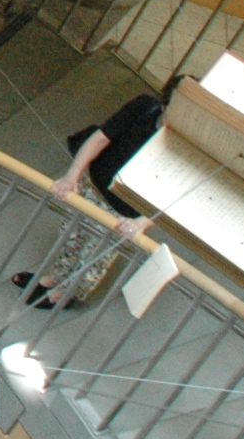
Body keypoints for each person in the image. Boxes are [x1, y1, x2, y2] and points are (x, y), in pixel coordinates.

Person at [12, 76, 174, 308]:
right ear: (164, 104)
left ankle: (66, 294)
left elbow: (176, 196)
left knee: (94, 257)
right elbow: (100, 138)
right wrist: (73, 176)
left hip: (124, 212)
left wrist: (141, 223)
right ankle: (54, 278)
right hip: (95, 187)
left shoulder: (184, 143)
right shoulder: (144, 108)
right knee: (70, 236)